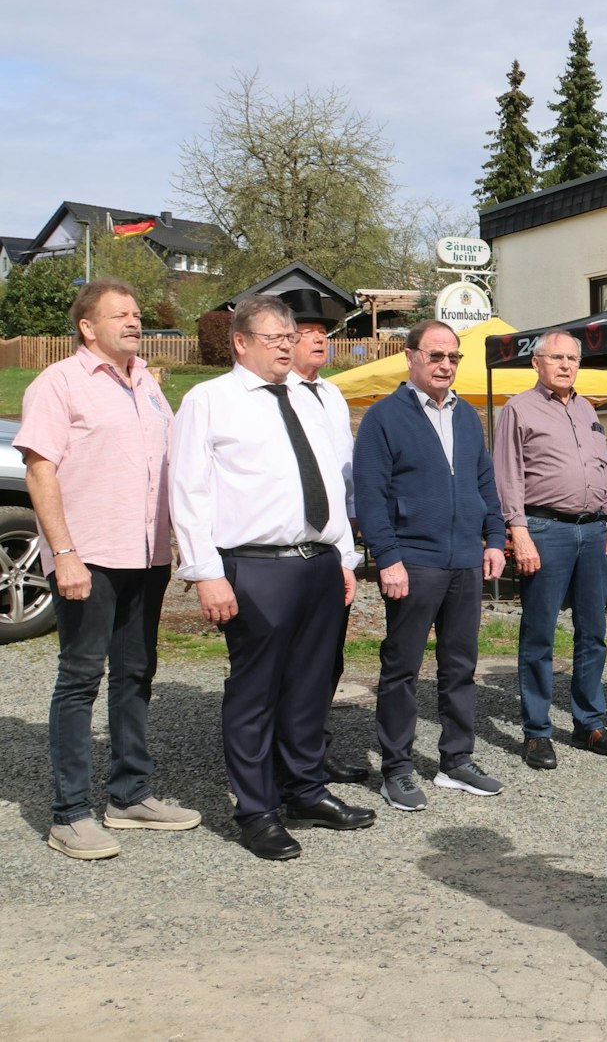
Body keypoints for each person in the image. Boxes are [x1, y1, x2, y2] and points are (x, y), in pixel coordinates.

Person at [170, 296, 372, 860]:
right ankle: (256, 809)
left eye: (290, 335)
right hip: (254, 566)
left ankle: (304, 789)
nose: (287, 343)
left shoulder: (307, 400)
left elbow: (330, 485)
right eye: (275, 336)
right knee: (256, 693)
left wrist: (344, 557)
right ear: (241, 342)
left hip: (317, 563)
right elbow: (187, 492)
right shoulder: (208, 401)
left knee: (309, 687)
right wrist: (206, 572)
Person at [20, 278, 196, 859]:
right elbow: (40, 472)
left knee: (136, 674)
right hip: (87, 557)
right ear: (87, 327)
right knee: (79, 680)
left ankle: (129, 795)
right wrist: (63, 553)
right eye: (120, 314)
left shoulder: (147, 383)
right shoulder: (59, 383)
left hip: (146, 555)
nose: (134, 322)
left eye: (138, 313)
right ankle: (69, 814)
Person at [353, 320, 508, 811]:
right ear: (411, 356)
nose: (445, 365)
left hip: (464, 558)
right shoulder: (384, 417)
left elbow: (485, 482)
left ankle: (455, 761)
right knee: (401, 668)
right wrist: (388, 559)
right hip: (414, 561)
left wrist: (495, 539)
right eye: (436, 356)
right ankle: (396, 768)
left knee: (460, 666)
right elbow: (371, 496)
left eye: (453, 358)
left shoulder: (467, 416)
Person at [495, 330, 607, 768]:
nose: (567, 365)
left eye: (573, 357)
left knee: (593, 632)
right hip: (545, 528)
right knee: (540, 633)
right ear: (537, 363)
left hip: (592, 532)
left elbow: (604, 470)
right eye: (558, 358)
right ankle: (536, 732)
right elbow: (507, 475)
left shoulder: (588, 408)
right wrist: (519, 530)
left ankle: (589, 723)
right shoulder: (518, 408)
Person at [275, 287, 370, 785]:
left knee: (327, 656)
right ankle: (279, 757)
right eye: (306, 332)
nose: (318, 341)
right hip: (286, 545)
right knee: (285, 658)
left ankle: (311, 749)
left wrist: (355, 529)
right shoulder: (273, 392)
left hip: (335, 543)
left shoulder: (332, 394)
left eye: (323, 332)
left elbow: (346, 471)